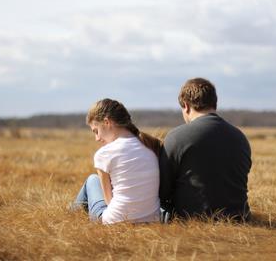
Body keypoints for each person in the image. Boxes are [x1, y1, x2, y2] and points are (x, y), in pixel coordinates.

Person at [159, 78, 252, 222]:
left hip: (192, 221)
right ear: (214, 104)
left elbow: (162, 191)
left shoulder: (177, 136)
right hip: (240, 218)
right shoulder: (240, 137)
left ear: (186, 106)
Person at [73, 98, 162, 224]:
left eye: (96, 131)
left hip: (115, 223)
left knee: (92, 180)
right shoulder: (149, 147)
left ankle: (69, 215)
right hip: (152, 221)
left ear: (106, 122)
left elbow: (109, 201)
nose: (97, 138)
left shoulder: (104, 154)